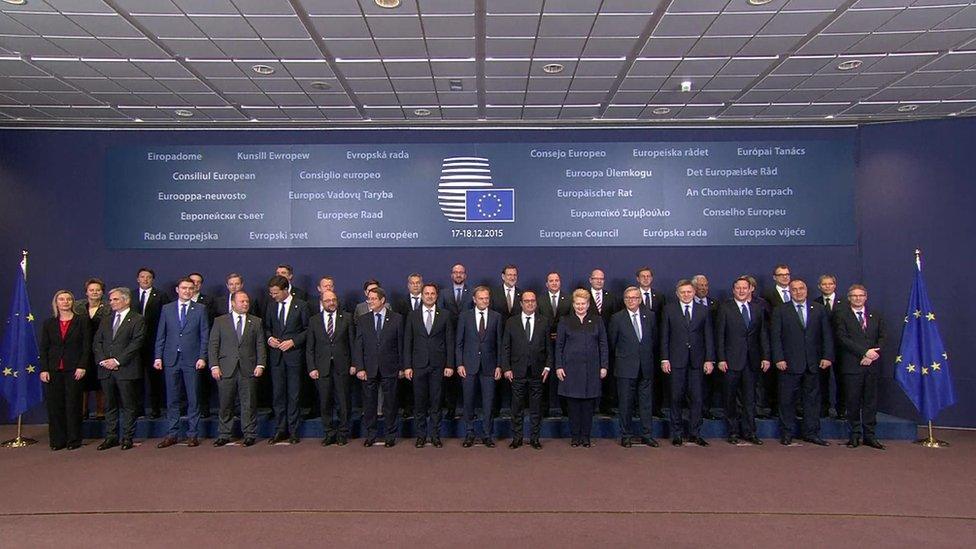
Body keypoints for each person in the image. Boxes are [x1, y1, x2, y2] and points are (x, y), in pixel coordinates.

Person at [771, 279, 834, 446]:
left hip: (813, 363)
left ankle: (811, 433)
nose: (798, 292)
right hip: (788, 364)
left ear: (807, 290)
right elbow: (775, 337)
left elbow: (826, 335)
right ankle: (787, 433)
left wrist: (827, 356)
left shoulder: (818, 309)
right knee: (787, 400)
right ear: (789, 291)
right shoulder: (781, 310)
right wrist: (779, 358)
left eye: (801, 289)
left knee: (812, 401)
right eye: (794, 289)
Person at [154, 277, 211, 448]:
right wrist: (158, 356)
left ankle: (192, 434)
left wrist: (203, 357)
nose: (187, 291)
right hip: (171, 359)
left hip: (192, 360)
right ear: (177, 290)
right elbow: (161, 335)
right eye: (184, 288)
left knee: (193, 398)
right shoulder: (167, 309)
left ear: (194, 290)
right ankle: (172, 434)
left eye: (190, 288)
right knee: (172, 399)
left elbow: (204, 336)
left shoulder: (200, 309)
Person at [660, 279, 714, 447]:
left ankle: (695, 433)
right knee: (676, 397)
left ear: (694, 293)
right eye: (682, 292)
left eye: (689, 292)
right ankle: (677, 434)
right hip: (676, 361)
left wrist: (709, 359)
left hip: (697, 362)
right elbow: (664, 336)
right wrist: (664, 358)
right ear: (677, 294)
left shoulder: (703, 310)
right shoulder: (669, 310)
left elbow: (709, 337)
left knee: (697, 399)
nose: (686, 295)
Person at [716, 277, 769, 445]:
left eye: (744, 288)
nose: (741, 290)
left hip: (752, 361)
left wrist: (766, 357)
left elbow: (762, 334)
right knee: (730, 398)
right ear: (733, 290)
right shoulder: (725, 308)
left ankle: (750, 432)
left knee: (749, 398)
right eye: (738, 288)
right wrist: (721, 358)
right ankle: (732, 431)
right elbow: (720, 336)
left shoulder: (757, 308)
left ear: (750, 289)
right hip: (731, 361)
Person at [209, 290, 266, 447]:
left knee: (248, 403)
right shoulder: (220, 321)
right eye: (242, 301)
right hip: (226, 368)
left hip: (248, 368)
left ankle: (249, 434)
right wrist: (214, 365)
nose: (245, 304)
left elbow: (260, 345)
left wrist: (260, 364)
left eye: (247, 301)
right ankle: (224, 434)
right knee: (225, 403)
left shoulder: (256, 322)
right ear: (233, 303)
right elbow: (213, 345)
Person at [833, 284, 886, 450]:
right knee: (853, 402)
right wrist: (864, 353)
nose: (858, 298)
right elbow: (842, 338)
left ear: (866, 297)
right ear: (849, 298)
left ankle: (870, 436)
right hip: (852, 366)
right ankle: (854, 435)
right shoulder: (842, 315)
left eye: (861, 295)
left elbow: (883, 337)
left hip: (872, 366)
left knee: (870, 402)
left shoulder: (876, 315)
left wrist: (872, 355)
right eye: (854, 296)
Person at [93, 288, 146, 451]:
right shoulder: (106, 320)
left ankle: (127, 437)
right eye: (111, 300)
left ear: (126, 300)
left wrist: (117, 361)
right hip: (106, 370)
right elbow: (97, 342)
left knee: (129, 405)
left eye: (115, 299)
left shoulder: (137, 319)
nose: (112, 302)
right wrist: (103, 360)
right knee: (109, 405)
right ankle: (111, 437)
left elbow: (136, 343)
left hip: (126, 369)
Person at [403, 283, 454, 448]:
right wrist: (407, 366)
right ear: (422, 295)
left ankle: (435, 435)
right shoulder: (412, 315)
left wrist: (449, 364)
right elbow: (407, 342)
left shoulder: (445, 315)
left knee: (436, 402)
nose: (430, 296)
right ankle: (421, 436)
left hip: (438, 366)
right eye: (427, 293)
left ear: (436, 296)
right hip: (418, 366)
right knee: (419, 403)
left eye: (433, 293)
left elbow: (449, 342)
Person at [555, 289, 608, 447]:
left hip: (592, 369)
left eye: (583, 303)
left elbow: (603, 344)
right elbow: (559, 346)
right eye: (577, 303)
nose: (580, 306)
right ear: (573, 304)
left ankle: (586, 437)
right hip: (571, 369)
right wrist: (558, 366)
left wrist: (604, 365)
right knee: (573, 406)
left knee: (588, 405)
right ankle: (575, 436)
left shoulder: (597, 320)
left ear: (588, 304)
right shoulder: (565, 321)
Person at [39, 290, 90, 451]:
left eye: (68, 299)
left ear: (72, 302)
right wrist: (44, 369)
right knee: (55, 406)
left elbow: (86, 346)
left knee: (73, 405)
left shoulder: (81, 321)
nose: (65, 302)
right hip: (53, 370)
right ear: (56, 303)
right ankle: (57, 440)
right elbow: (44, 347)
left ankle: (74, 440)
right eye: (62, 299)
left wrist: (82, 366)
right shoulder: (49, 323)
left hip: (74, 369)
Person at [353, 286, 404, 447]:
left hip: (390, 367)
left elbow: (401, 345)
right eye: (369, 299)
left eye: (374, 299)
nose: (370, 301)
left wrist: (402, 367)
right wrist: (360, 367)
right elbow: (358, 345)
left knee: (390, 404)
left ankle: (390, 435)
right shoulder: (363, 319)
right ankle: (371, 434)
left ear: (382, 300)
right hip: (369, 368)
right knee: (369, 404)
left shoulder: (397, 318)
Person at [607, 287, 657, 448]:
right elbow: (612, 343)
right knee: (626, 403)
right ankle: (626, 435)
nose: (631, 300)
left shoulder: (650, 316)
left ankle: (647, 435)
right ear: (624, 300)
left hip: (646, 367)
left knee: (646, 403)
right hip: (625, 367)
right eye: (628, 298)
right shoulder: (617, 318)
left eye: (635, 298)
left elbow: (653, 340)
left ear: (640, 299)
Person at [502, 290, 551, 450]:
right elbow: (506, 347)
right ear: (521, 303)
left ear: (536, 303)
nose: (530, 303)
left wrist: (548, 366)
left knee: (536, 408)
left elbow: (549, 348)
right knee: (517, 408)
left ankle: (535, 438)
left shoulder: (544, 321)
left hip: (538, 372)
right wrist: (506, 368)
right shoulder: (511, 322)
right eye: (526, 301)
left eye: (532, 301)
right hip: (517, 371)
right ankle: (517, 438)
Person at [264, 275, 310, 444]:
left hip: (294, 356)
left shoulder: (301, 306)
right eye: (271, 293)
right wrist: (270, 339)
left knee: (294, 394)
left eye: (276, 293)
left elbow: (307, 330)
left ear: (285, 290)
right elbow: (267, 328)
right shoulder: (270, 306)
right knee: (278, 395)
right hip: (276, 357)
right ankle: (280, 429)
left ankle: (293, 430)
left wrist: (293, 341)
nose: (273, 296)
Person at [306, 289, 355, 447]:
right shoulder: (314, 320)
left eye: (334, 300)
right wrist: (312, 367)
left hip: (343, 366)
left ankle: (342, 433)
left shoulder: (346, 318)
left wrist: (355, 364)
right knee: (325, 401)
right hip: (322, 368)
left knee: (343, 402)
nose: (331, 303)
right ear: (322, 303)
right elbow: (310, 347)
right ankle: (328, 433)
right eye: (328, 301)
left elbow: (352, 343)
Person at [456, 285, 503, 447]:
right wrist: (459, 363)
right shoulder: (465, 316)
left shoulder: (496, 317)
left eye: (487, 298)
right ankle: (469, 433)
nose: (484, 301)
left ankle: (487, 434)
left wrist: (499, 365)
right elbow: (459, 343)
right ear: (474, 300)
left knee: (488, 403)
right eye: (481, 298)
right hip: (468, 366)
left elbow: (499, 343)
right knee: (468, 401)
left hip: (490, 367)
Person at [133, 267, 170, 419]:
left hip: (154, 342)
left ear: (152, 280)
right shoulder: (130, 295)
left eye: (148, 277)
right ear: (138, 279)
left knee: (155, 378)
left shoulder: (161, 296)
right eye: (142, 277)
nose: (145, 279)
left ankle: (156, 408)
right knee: (136, 378)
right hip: (134, 344)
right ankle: (138, 408)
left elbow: (166, 319)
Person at [437, 264, 471, 420]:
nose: (458, 275)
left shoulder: (472, 293)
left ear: (465, 275)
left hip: (468, 340)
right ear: (451, 275)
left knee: (467, 377)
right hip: (448, 339)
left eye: (461, 273)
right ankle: (451, 409)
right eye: (456, 272)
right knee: (450, 379)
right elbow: (440, 316)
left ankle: (467, 409)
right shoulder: (443, 293)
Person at [536, 271, 570, 416]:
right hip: (545, 344)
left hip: (565, 344)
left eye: (557, 280)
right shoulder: (540, 299)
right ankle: (544, 409)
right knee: (545, 377)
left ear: (560, 282)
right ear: (546, 284)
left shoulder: (568, 299)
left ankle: (566, 409)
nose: (554, 283)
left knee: (564, 377)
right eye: (551, 280)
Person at [74, 278, 108, 419]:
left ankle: (101, 411)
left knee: (101, 381)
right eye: (91, 290)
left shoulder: (108, 307)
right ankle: (82, 411)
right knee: (82, 381)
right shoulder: (77, 307)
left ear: (102, 292)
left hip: (102, 349)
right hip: (82, 349)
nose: (95, 292)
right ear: (86, 292)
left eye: (98, 290)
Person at [636, 266, 666, 418]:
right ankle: (638, 409)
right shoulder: (631, 296)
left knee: (655, 378)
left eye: (648, 276)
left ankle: (656, 408)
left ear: (652, 278)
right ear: (638, 279)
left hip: (654, 344)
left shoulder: (659, 296)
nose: (646, 278)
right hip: (637, 347)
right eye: (643, 276)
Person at [815, 274, 846, 418]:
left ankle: (842, 409)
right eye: (824, 284)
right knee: (822, 381)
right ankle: (823, 408)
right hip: (821, 349)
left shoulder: (845, 303)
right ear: (819, 287)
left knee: (842, 380)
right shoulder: (814, 303)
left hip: (842, 349)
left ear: (835, 285)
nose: (827, 286)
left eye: (830, 284)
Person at [691, 274, 721, 420]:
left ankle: (706, 409)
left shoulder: (715, 304)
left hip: (711, 349)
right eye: (700, 286)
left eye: (705, 285)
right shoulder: (686, 304)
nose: (703, 288)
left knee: (708, 382)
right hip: (693, 350)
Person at [187, 272, 215, 419]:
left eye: (198, 282)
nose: (195, 284)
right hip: (184, 348)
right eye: (192, 281)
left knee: (202, 380)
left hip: (202, 345)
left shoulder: (208, 301)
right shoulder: (175, 305)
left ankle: (203, 409)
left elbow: (209, 324)